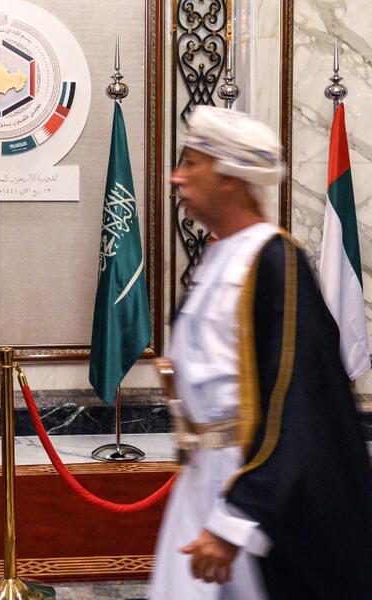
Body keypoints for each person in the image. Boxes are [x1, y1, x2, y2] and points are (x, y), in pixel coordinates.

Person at [151, 106, 372, 600]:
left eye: (191, 163)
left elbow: (296, 403)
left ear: (229, 177)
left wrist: (238, 518)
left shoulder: (275, 260)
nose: (177, 177)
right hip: (203, 481)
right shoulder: (218, 254)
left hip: (251, 493)